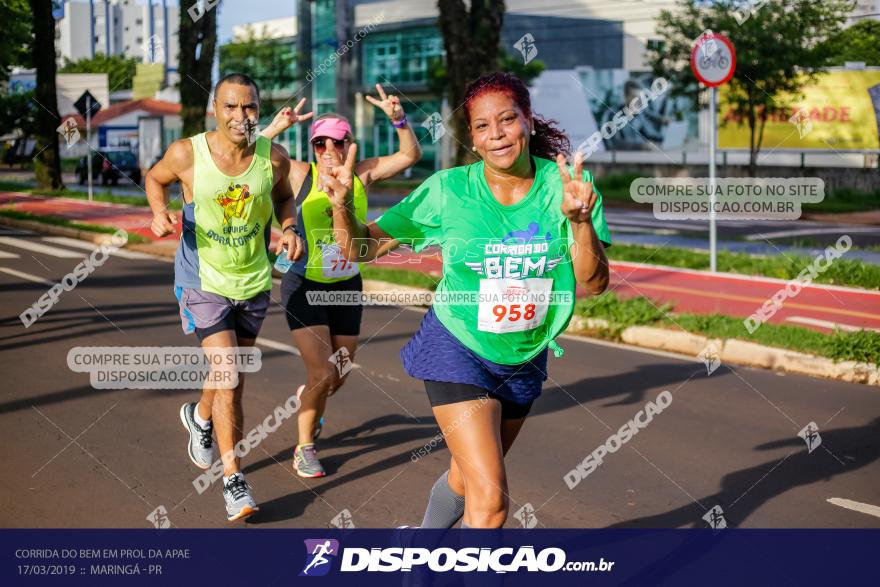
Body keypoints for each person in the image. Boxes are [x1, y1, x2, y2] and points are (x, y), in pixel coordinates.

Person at [322, 72, 612, 528]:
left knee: (465, 480)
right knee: (492, 500)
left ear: (529, 122)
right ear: (472, 139)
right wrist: (341, 206)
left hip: (524, 355)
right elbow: (359, 249)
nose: (495, 134)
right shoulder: (447, 190)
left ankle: (423, 555)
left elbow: (593, 284)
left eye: (506, 119)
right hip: (456, 345)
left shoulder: (569, 187)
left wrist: (579, 221)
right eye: (481, 126)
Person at [146, 73, 305, 521]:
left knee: (230, 375)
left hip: (253, 281)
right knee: (230, 374)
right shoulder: (187, 153)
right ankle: (233, 478)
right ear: (214, 109)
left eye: (250, 107)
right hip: (203, 279)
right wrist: (159, 211)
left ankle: (200, 417)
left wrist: (289, 226)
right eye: (231, 107)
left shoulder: (272, 157)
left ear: (260, 109)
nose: (242, 116)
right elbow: (154, 179)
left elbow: (284, 196)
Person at [259, 84, 422, 478]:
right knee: (321, 374)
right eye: (320, 143)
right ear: (312, 147)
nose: (328, 149)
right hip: (305, 285)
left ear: (350, 143)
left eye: (336, 141)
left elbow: (409, 155)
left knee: (340, 373)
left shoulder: (362, 173)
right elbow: (251, 154)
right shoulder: (301, 173)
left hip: (347, 284)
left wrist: (399, 118)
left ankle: (308, 400)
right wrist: (274, 128)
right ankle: (305, 447)